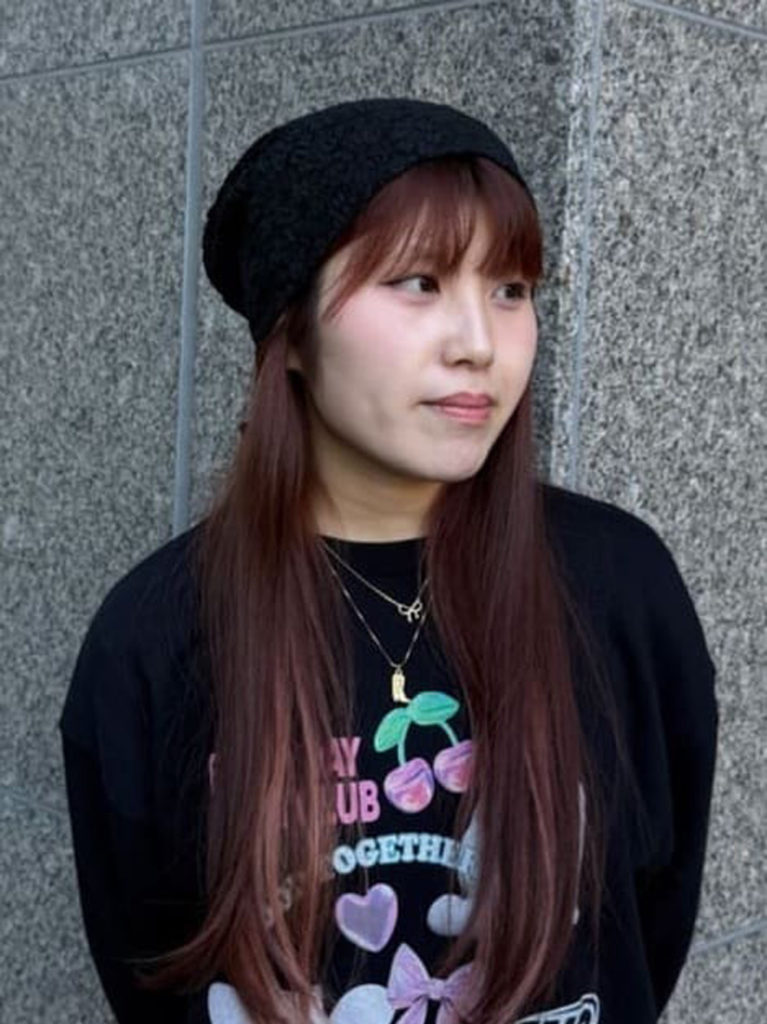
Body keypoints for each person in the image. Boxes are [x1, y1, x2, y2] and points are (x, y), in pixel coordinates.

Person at [59, 97, 718, 1024]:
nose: (479, 344)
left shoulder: (617, 586)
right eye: (418, 282)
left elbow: (647, 918)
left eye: (511, 289)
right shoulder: (159, 636)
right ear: (291, 332)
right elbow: (151, 968)